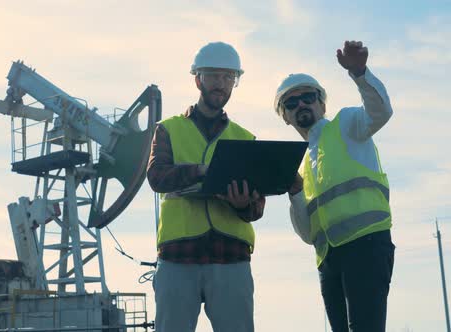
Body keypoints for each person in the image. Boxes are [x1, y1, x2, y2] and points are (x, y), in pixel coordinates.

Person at [275, 40, 395, 332]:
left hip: (366, 245)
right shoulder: (300, 166)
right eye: (291, 102)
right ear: (285, 117)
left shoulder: (347, 124)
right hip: (329, 259)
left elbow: (381, 112)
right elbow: (307, 234)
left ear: (322, 103)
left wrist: (360, 73)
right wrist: (294, 194)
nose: (301, 104)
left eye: (308, 97)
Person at [147, 41, 265, 332]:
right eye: (214, 76)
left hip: (231, 257)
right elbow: (156, 176)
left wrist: (243, 205)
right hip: (178, 257)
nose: (221, 84)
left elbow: (256, 208)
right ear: (198, 79)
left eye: (228, 78)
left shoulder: (246, 138)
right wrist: (201, 171)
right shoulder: (168, 129)